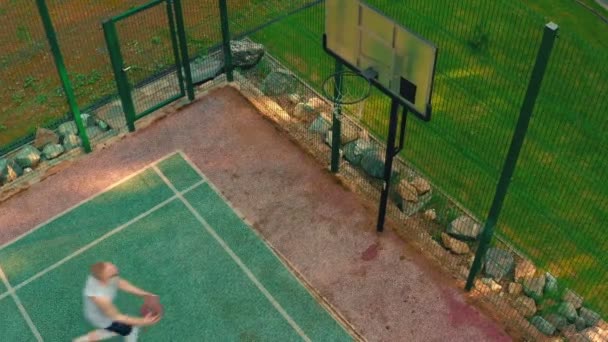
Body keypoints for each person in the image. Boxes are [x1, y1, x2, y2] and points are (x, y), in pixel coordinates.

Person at [73, 262, 161, 342]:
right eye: (112, 272)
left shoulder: (100, 276)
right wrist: (143, 321)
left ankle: (88, 338)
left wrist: (144, 294)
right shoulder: (100, 298)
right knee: (130, 328)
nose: (115, 269)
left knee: (124, 326)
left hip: (105, 313)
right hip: (102, 318)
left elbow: (120, 283)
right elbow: (117, 316)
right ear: (104, 280)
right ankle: (87, 339)